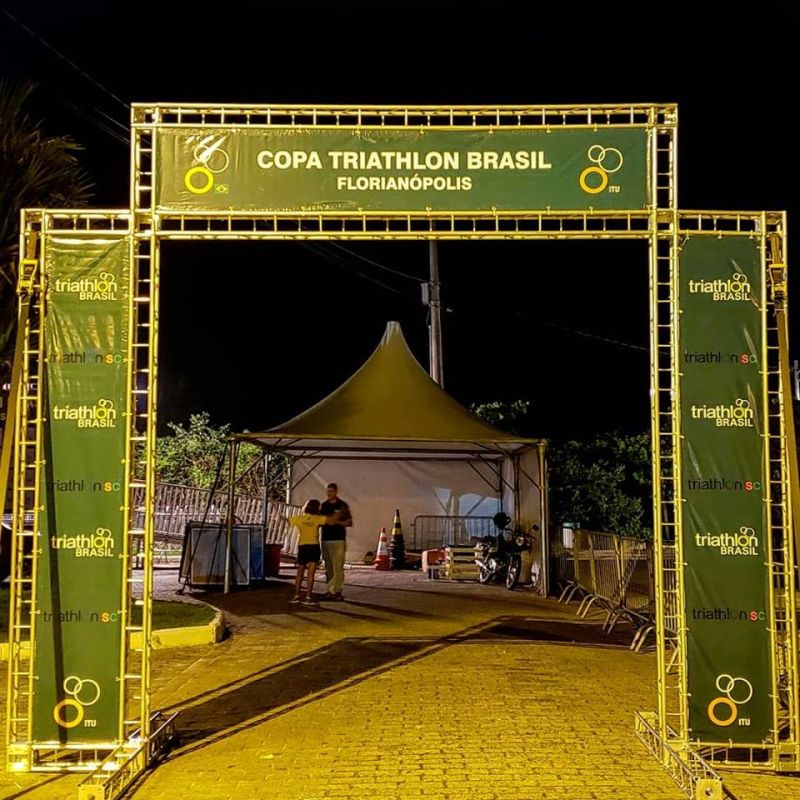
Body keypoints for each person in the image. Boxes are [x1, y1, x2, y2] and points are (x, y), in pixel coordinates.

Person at [286, 499, 339, 605]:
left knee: (299, 573)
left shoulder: (300, 519)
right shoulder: (317, 519)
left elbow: (288, 520)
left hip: (302, 547)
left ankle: (297, 595)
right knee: (311, 574)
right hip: (314, 546)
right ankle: (308, 597)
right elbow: (331, 520)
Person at [319, 482, 352, 601]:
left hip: (338, 539)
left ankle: (336, 590)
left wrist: (336, 521)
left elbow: (349, 522)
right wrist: (330, 519)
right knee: (329, 566)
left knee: (338, 566)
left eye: (331, 492)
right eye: (328, 492)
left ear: (336, 492)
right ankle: (330, 589)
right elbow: (321, 521)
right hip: (326, 539)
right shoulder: (324, 506)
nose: (329, 494)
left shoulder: (342, 505)